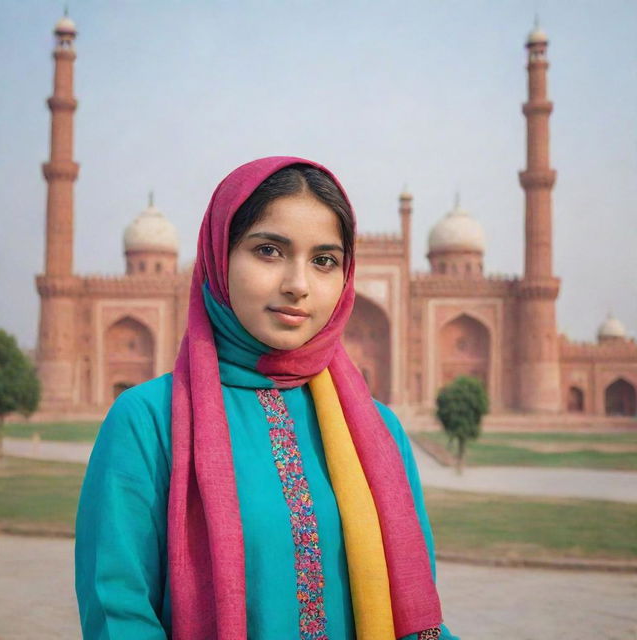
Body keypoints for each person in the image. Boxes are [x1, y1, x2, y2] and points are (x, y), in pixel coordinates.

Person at [75, 156, 458, 640]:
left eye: (324, 261)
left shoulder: (379, 431)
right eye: (269, 251)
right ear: (219, 255)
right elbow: (119, 614)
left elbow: (419, 608)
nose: (298, 285)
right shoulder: (149, 421)